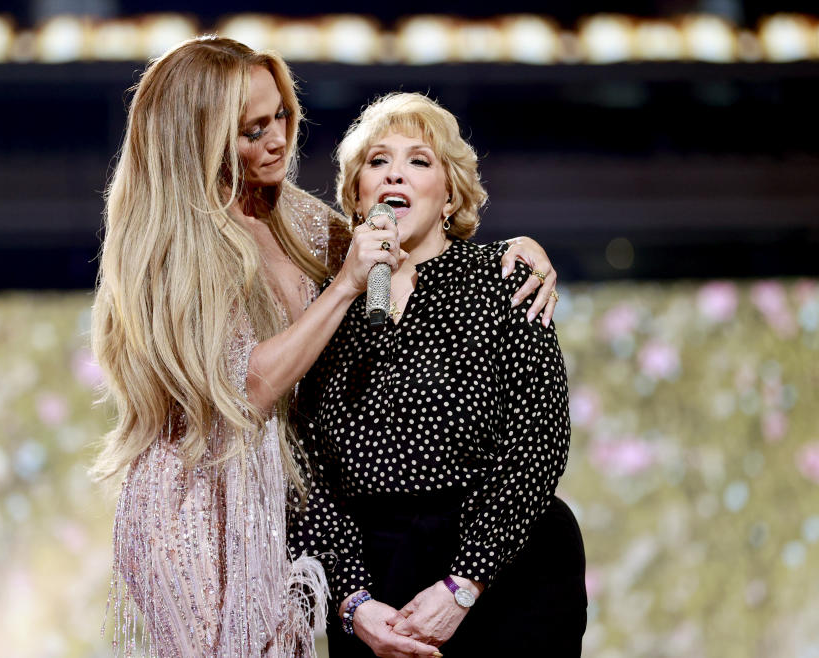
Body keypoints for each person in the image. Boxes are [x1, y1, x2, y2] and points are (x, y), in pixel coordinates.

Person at [90, 36, 562, 657]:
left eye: (281, 114)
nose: (278, 141)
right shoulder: (172, 247)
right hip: (204, 500)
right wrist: (344, 287)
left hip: (283, 496)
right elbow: (246, 392)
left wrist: (521, 248)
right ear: (198, 138)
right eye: (251, 130)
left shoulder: (299, 218)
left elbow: (407, 230)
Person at [289, 92, 587, 658]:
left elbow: (539, 443)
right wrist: (353, 602)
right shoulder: (325, 306)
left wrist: (464, 584)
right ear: (357, 195)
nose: (394, 173)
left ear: (450, 193)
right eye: (377, 162)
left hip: (503, 573)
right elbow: (303, 464)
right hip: (377, 592)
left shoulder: (503, 277)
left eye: (418, 161)